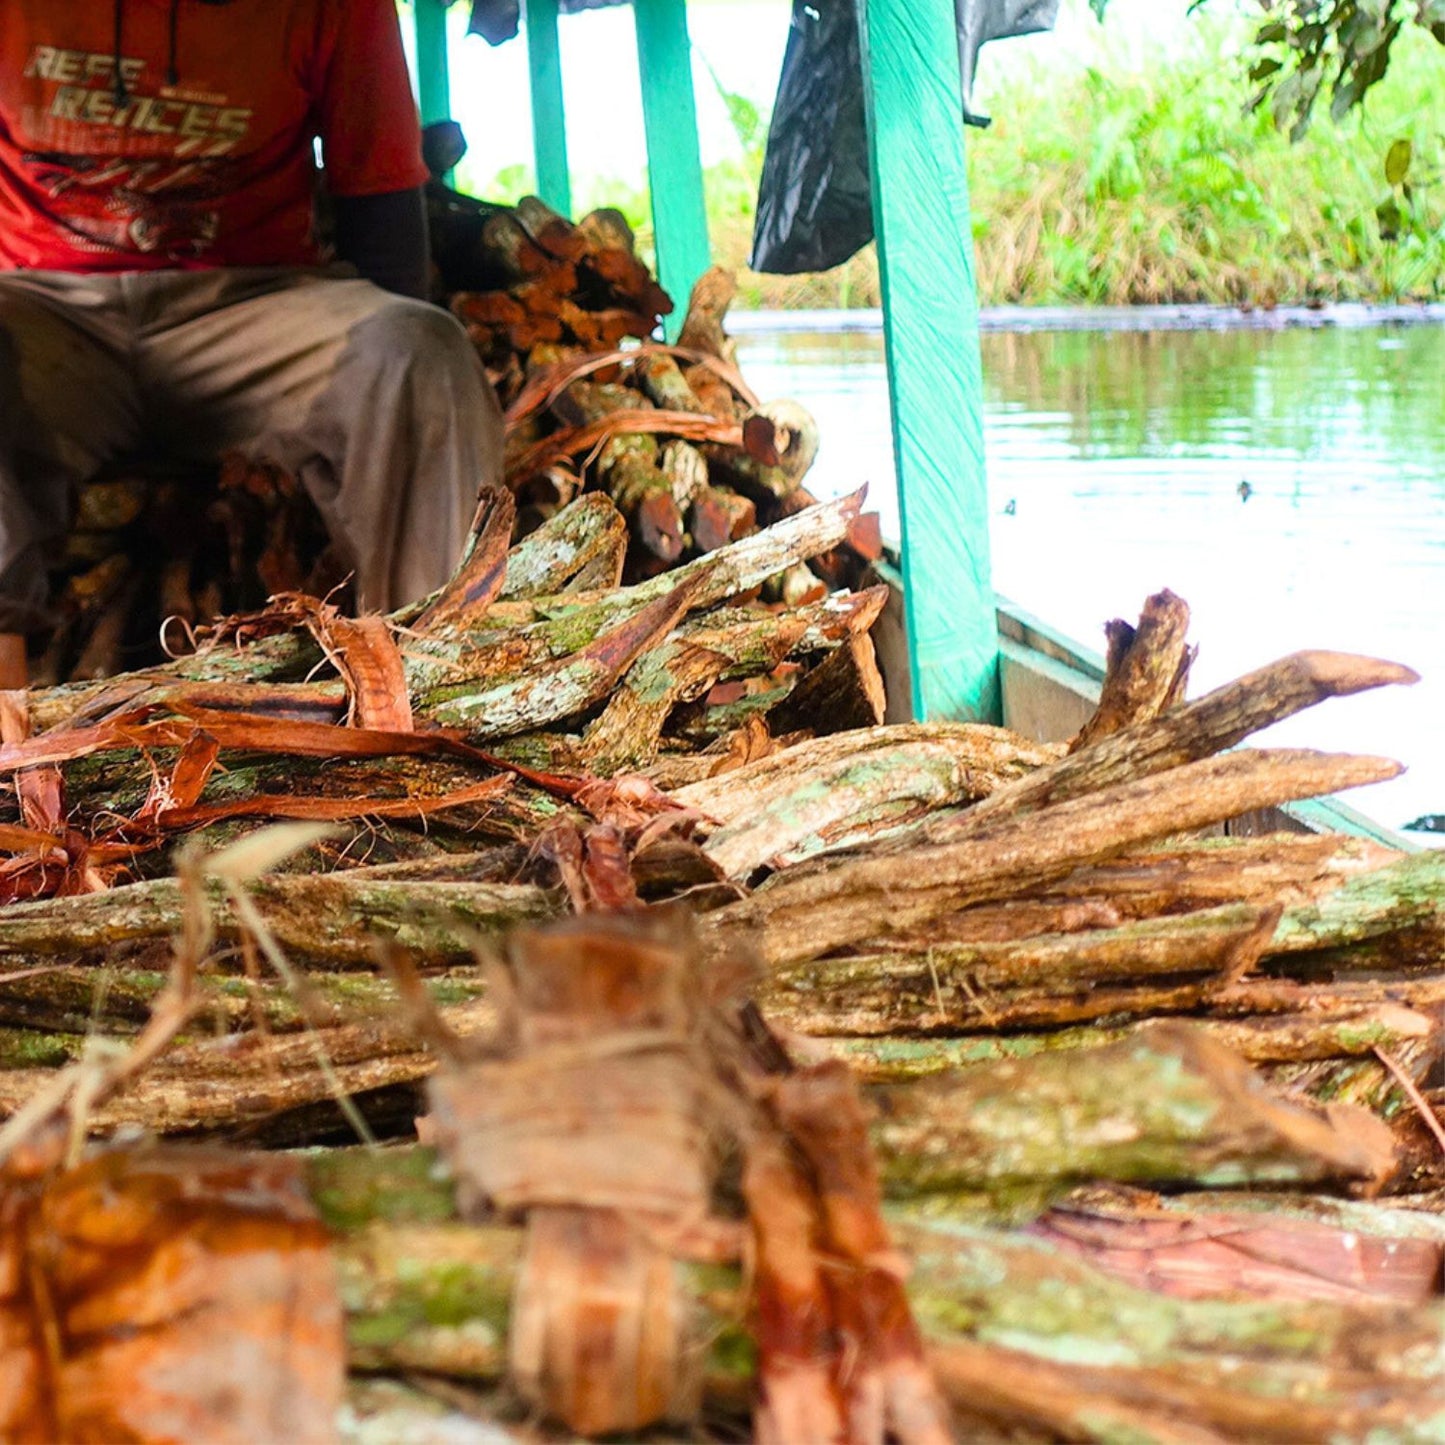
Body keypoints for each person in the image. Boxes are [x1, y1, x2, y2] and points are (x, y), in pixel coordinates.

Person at [0, 0, 505, 688]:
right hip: (46, 308)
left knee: (421, 354)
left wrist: (372, 414)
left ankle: (434, 696)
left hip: (255, 306)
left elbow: (381, 211)